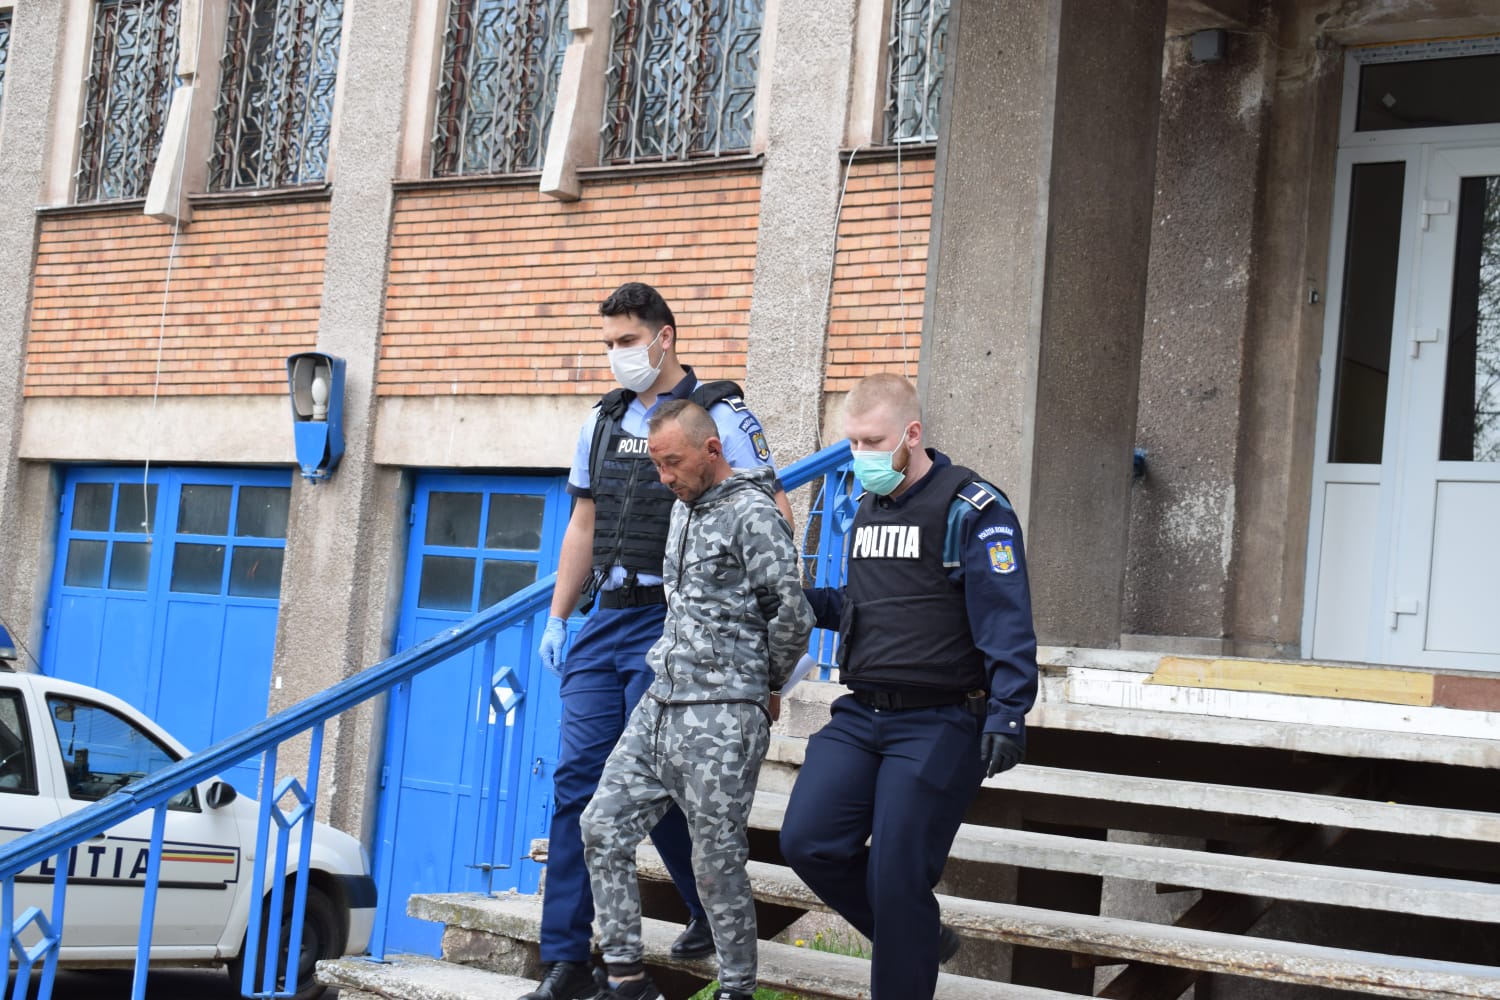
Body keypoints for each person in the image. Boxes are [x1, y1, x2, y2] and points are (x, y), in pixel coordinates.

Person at [522, 283, 793, 1000]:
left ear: (663, 336)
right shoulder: (603, 420)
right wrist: (559, 616)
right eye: (609, 343)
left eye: (627, 340)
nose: (617, 354)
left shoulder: (720, 414)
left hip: (675, 626)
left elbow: (772, 513)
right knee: (579, 784)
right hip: (606, 617)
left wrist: (754, 647)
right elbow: (583, 523)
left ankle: (706, 910)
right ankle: (565, 959)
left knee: (672, 782)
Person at [778, 373, 1038, 1000]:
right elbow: (864, 605)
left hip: (940, 719)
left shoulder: (972, 508)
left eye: (873, 441)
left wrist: (1009, 711)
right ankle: (917, 933)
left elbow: (1005, 618)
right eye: (853, 442)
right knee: (808, 842)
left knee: (896, 877)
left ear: (912, 434)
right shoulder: (870, 507)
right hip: (862, 713)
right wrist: (801, 602)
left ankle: (906, 938)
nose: (860, 454)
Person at [581, 400, 814, 1000]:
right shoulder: (683, 508)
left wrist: (761, 686)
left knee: (716, 861)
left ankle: (737, 988)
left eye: (673, 463)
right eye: (657, 465)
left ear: (712, 451)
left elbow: (792, 615)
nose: (665, 477)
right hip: (661, 700)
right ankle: (626, 976)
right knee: (601, 825)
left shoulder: (753, 514)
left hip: (723, 711)